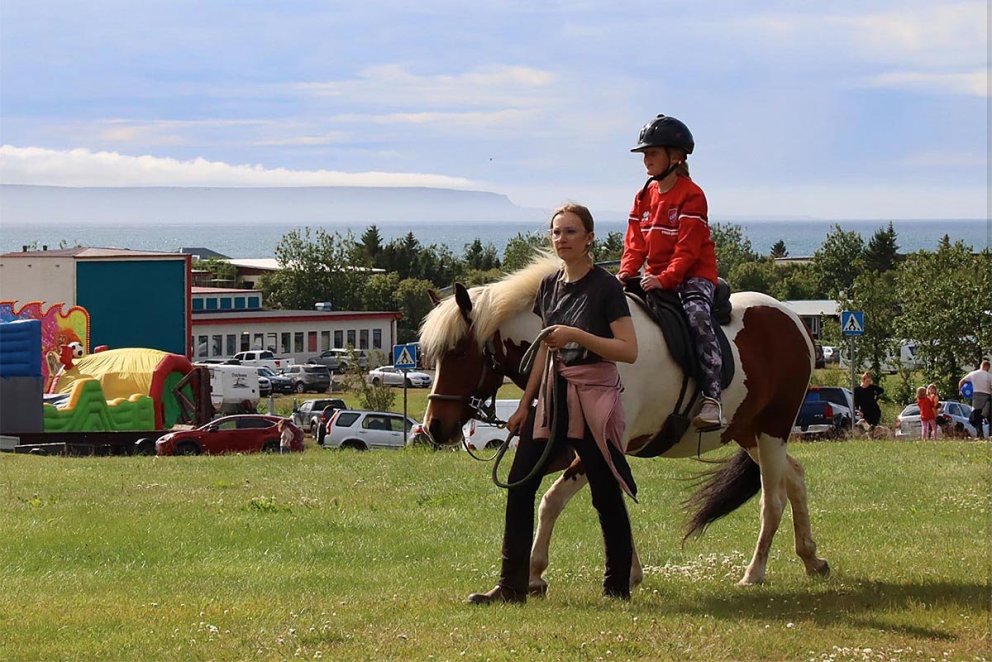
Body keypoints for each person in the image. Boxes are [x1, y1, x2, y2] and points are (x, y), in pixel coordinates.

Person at [468, 203, 639, 604]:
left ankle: (616, 588)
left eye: (571, 232)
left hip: (593, 396)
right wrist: (525, 405)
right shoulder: (549, 285)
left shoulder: (606, 287)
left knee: (604, 492)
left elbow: (628, 350)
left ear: (590, 238)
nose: (562, 239)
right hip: (551, 396)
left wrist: (577, 336)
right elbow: (546, 348)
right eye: (556, 232)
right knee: (520, 483)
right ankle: (511, 586)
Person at [616, 114, 722, 430]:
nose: (646, 160)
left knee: (697, 317)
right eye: (645, 155)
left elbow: (688, 250)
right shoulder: (643, 196)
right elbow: (634, 245)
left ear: (675, 157)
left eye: (652, 153)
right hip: (655, 275)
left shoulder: (692, 195)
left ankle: (713, 400)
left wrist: (665, 278)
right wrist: (624, 274)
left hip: (693, 275)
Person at [959, 359, 991, 439]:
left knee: (976, 417)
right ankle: (990, 434)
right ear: (988, 367)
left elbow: (961, 381)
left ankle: (980, 434)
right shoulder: (989, 376)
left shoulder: (973, 374)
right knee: (989, 417)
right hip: (987, 397)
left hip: (976, 397)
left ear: (981, 366)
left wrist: (960, 391)